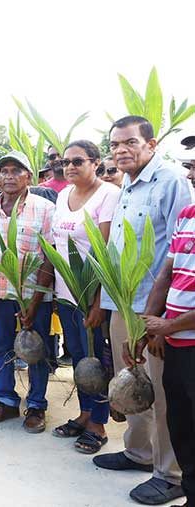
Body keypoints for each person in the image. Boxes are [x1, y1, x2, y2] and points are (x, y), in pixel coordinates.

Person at [93, 116, 190, 506]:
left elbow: (176, 253)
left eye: (129, 142)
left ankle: (171, 473)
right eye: (115, 144)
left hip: (156, 309)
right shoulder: (127, 185)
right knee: (129, 379)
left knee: (164, 391)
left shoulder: (171, 181)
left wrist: (161, 320)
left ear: (151, 144)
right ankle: (138, 451)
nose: (120, 150)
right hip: (123, 300)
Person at [0, 151, 55, 434]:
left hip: (33, 296)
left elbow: (49, 258)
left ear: (29, 177)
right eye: (4, 171)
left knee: (36, 351)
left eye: (16, 170)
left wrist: (34, 302)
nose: (9, 176)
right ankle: (6, 400)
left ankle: (36, 406)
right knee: (0, 347)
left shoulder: (45, 209)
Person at [49, 140, 119, 454]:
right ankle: (84, 413)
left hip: (92, 296)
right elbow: (55, 244)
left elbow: (106, 253)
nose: (71, 167)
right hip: (66, 296)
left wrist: (97, 303)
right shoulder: (63, 194)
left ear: (95, 162)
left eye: (78, 161)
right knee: (79, 359)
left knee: (96, 360)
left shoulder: (109, 195)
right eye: (67, 162)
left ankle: (98, 425)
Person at [140, 144, 195, 507]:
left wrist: (168, 326)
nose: (190, 174)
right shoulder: (189, 213)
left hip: (187, 342)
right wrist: (150, 325)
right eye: (191, 166)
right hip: (177, 345)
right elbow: (165, 272)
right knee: (182, 426)